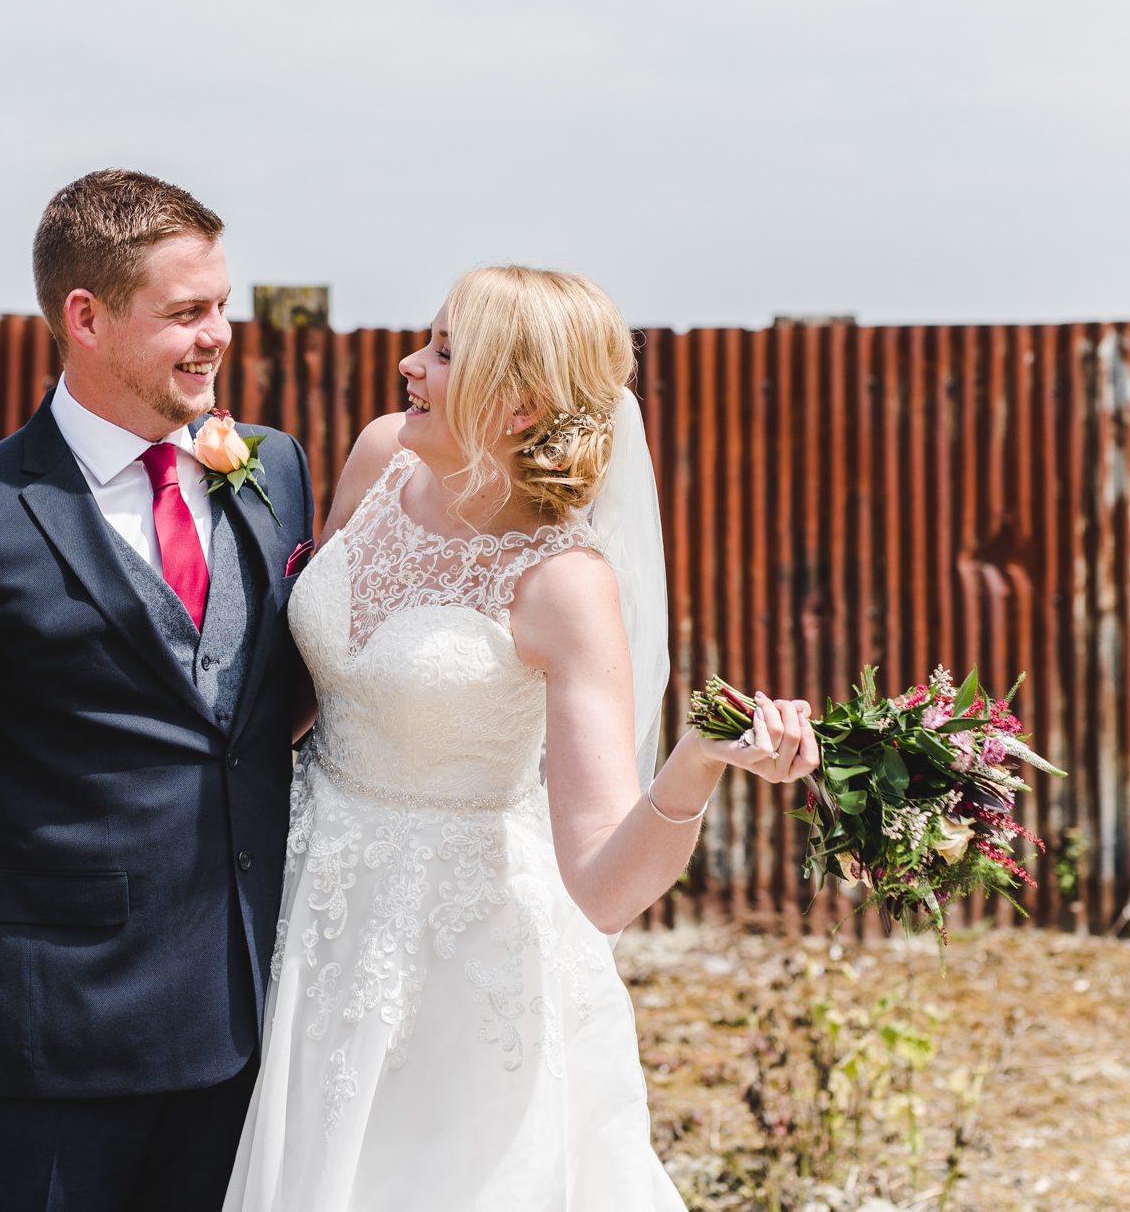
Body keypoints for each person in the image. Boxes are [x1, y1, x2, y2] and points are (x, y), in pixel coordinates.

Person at [223, 265, 820, 1210]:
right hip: (301, 901)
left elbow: (603, 884)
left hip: (455, 957)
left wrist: (698, 760)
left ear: (520, 402)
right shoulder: (382, 457)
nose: (410, 365)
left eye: (447, 353)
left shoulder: (564, 583)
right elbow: (304, 678)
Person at [0, 169, 318, 1212]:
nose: (218, 335)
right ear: (85, 317)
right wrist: (32, 905)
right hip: (53, 1040)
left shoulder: (272, 469)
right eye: (185, 312)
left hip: (255, 1021)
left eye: (220, 304)